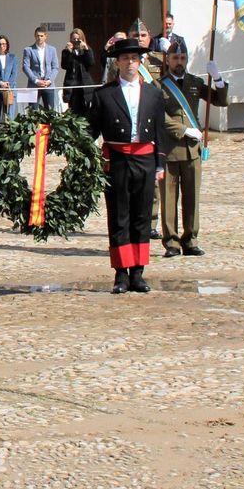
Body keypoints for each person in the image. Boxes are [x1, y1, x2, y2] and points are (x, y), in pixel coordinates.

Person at [87, 37, 167, 295]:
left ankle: (138, 272)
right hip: (117, 160)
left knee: (142, 216)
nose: (130, 63)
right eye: (125, 58)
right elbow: (90, 130)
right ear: (117, 62)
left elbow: (160, 131)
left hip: (144, 158)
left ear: (140, 61)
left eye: (134, 58)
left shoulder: (154, 94)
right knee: (119, 216)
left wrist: (160, 164)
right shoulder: (104, 94)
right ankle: (121, 273)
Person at [156, 42, 226, 258]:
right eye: (175, 58)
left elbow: (220, 101)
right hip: (169, 147)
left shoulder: (195, 82)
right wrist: (184, 130)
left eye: (183, 58)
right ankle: (171, 242)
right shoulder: (159, 86)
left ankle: (191, 239)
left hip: (192, 150)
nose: (179, 62)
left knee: (192, 196)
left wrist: (218, 80)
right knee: (169, 198)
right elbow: (160, 116)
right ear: (167, 60)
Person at [22, 27, 60, 111]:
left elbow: (55, 67)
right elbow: (25, 67)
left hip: (48, 85)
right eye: (37, 36)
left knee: (50, 112)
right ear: (35, 36)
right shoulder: (28, 50)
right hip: (34, 85)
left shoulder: (52, 50)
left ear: (46, 36)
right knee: (33, 112)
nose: (39, 38)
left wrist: (49, 80)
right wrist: (36, 80)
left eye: (41, 36)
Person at [61, 28, 95, 115]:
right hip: (73, 86)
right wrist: (68, 52)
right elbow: (64, 66)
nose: (76, 41)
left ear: (82, 39)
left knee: (87, 111)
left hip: (84, 85)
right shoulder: (66, 51)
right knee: (74, 111)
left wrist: (86, 49)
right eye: (74, 39)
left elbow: (91, 63)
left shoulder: (87, 50)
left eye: (78, 39)